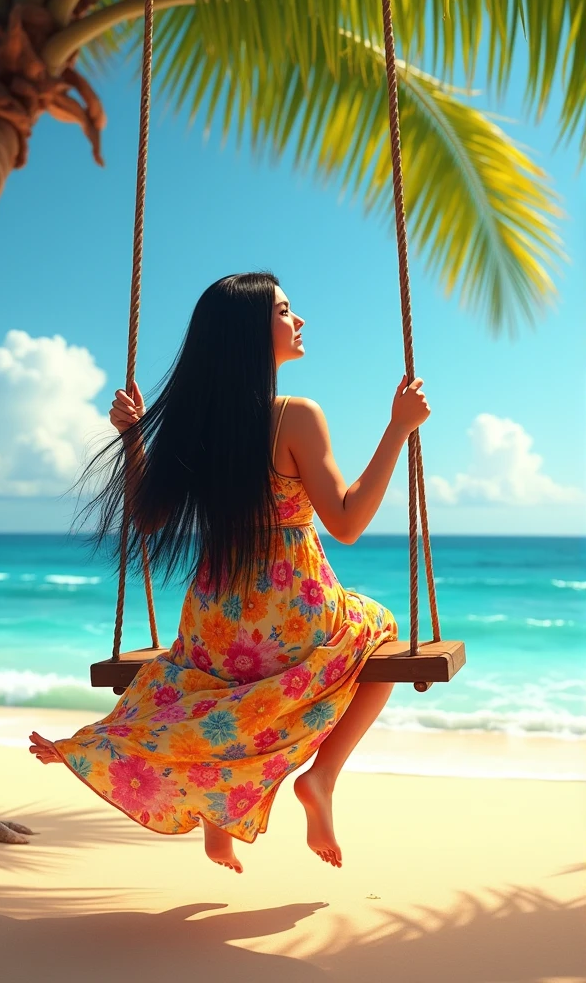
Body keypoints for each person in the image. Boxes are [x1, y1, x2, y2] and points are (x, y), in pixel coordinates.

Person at [29, 271, 430, 874]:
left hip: (214, 629)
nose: (299, 322)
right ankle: (320, 780)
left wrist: (134, 441)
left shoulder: (197, 428)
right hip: (295, 613)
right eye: (286, 311)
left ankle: (221, 814)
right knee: (377, 628)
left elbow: (150, 518)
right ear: (250, 332)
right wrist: (398, 428)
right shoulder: (296, 415)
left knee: (225, 695)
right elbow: (346, 522)